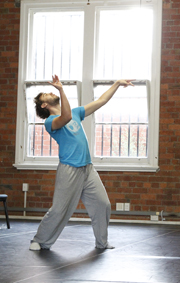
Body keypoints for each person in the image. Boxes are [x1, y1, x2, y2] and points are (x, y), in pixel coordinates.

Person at [29, 75, 134, 251]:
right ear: (44, 105)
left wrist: (116, 83)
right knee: (60, 209)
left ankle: (102, 242)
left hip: (88, 168)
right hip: (69, 169)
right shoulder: (50, 123)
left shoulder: (77, 112)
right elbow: (66, 116)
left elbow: (101, 100)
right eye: (45, 94)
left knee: (103, 204)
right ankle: (39, 240)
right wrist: (61, 89)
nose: (50, 91)